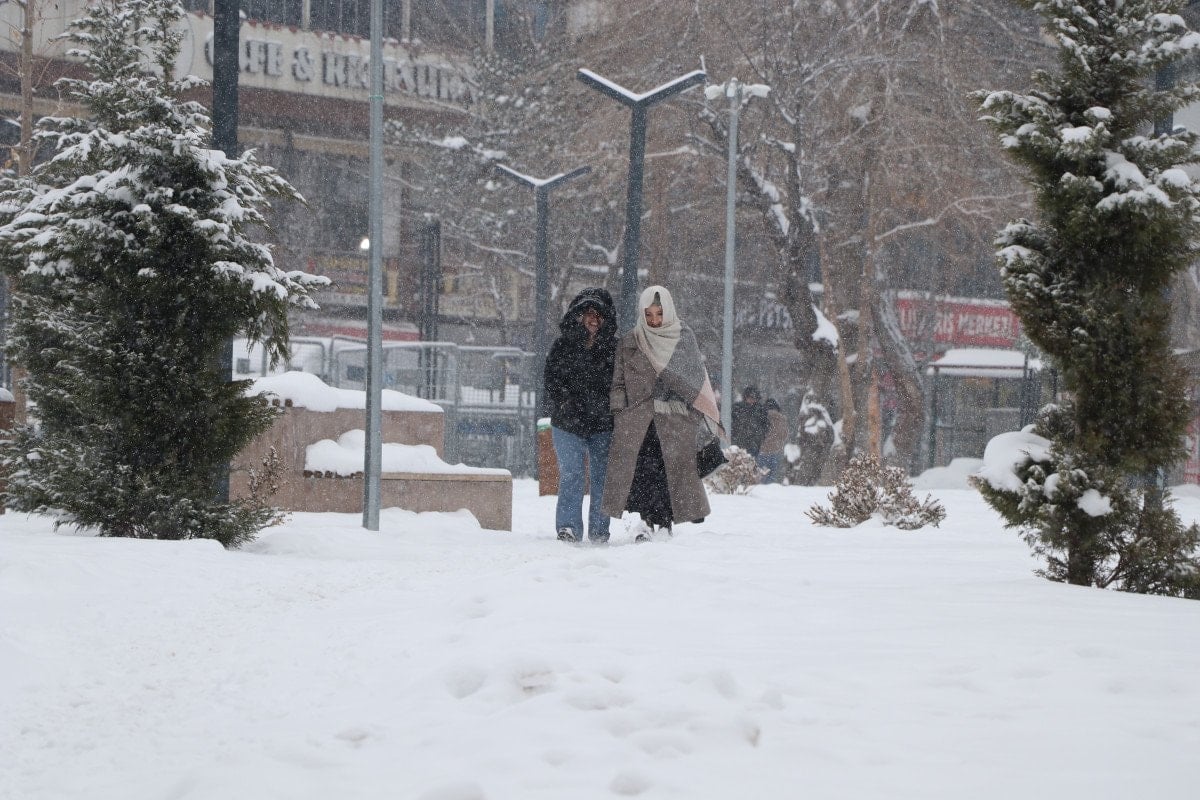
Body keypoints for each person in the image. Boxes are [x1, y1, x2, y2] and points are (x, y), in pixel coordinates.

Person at [602, 285, 723, 540]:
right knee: (641, 472)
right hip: (637, 419)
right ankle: (646, 521)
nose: (654, 320)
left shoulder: (683, 338)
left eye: (659, 313)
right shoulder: (631, 341)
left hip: (674, 419)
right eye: (648, 314)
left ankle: (664, 521)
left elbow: (695, 379)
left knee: (669, 472)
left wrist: (689, 411)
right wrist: (619, 412)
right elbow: (618, 382)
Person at [543, 287, 618, 544]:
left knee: (602, 478)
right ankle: (568, 527)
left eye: (599, 314)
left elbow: (620, 383)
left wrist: (610, 409)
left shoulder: (614, 348)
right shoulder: (563, 345)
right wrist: (564, 402)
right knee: (572, 475)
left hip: (603, 423)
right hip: (568, 423)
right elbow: (551, 380)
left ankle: (599, 530)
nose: (593, 319)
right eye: (589, 313)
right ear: (580, 315)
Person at [731, 385, 769, 456]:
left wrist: (759, 437)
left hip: (753, 445)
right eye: (750, 397)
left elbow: (765, 426)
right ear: (745, 397)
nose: (752, 400)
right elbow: (732, 424)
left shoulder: (761, 410)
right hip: (738, 444)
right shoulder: (737, 408)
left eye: (754, 398)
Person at [757, 398, 789, 483]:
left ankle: (761, 488)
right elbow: (784, 435)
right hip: (776, 451)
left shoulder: (761, 416)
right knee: (772, 476)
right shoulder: (782, 419)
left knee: (761, 475)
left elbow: (757, 433)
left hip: (762, 450)